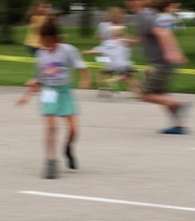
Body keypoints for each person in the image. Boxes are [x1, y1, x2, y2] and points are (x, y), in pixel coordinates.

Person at [16, 19, 90, 178]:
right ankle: (50, 161)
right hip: (49, 92)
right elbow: (38, 76)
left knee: (73, 130)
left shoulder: (68, 50)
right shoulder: (40, 54)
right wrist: (28, 92)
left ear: (55, 37)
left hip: (64, 92)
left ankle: (68, 148)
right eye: (42, 39)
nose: (43, 43)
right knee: (52, 128)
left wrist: (85, 79)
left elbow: (82, 66)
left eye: (46, 39)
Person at [123, 0, 191, 134]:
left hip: (161, 61)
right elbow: (152, 34)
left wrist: (170, 52)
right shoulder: (151, 14)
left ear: (146, 0)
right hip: (162, 60)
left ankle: (177, 104)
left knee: (145, 95)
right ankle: (178, 125)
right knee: (161, 94)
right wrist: (132, 40)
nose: (132, 2)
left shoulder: (145, 15)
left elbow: (162, 33)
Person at [84, 24, 140, 95]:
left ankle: (103, 89)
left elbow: (97, 50)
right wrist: (139, 39)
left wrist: (86, 52)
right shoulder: (122, 40)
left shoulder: (107, 42)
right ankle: (114, 81)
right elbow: (134, 41)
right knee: (130, 76)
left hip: (111, 64)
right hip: (123, 64)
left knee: (103, 73)